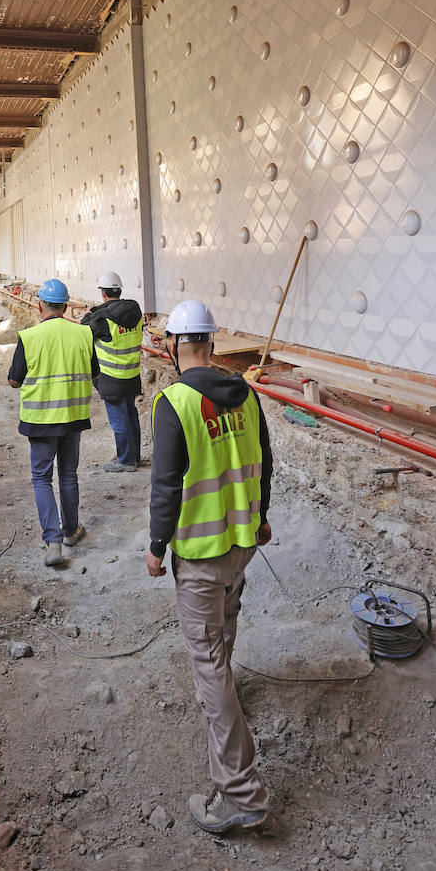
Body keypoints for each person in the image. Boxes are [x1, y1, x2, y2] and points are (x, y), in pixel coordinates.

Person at [145, 299, 273, 834]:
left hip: (199, 553)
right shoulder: (247, 394)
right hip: (240, 543)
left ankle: (242, 796)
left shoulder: (173, 403)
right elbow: (264, 461)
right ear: (212, 345)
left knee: (208, 663)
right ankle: (228, 698)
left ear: (176, 346)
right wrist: (262, 518)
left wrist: (156, 546)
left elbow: (166, 485)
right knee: (225, 631)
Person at [8, 278, 98, 567]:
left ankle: (53, 541)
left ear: (40, 305)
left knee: (41, 478)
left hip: (41, 420)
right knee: (68, 474)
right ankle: (71, 530)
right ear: (66, 306)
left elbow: (13, 380)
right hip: (73, 417)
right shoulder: (83, 334)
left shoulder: (30, 337)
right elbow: (94, 374)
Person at [81, 271, 145, 474]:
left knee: (119, 420)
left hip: (111, 377)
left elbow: (84, 334)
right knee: (131, 415)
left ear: (103, 293)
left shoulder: (101, 318)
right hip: (131, 374)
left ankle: (125, 461)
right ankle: (133, 457)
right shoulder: (135, 311)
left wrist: (89, 314)